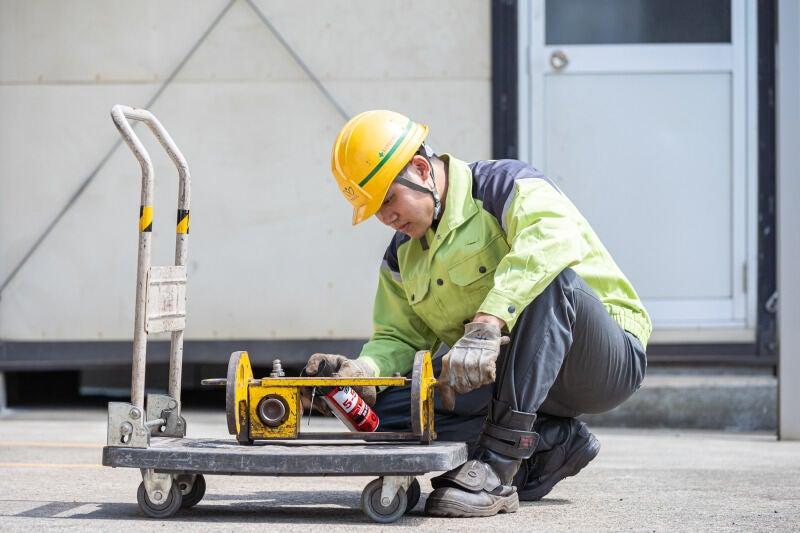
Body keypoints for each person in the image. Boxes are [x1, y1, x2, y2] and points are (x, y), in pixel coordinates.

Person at [304, 110, 651, 518]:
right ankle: (549, 444)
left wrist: (488, 322)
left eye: (387, 199)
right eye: (375, 210)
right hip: (515, 382)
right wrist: (363, 373)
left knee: (549, 282)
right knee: (383, 415)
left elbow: (554, 243)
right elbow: (399, 338)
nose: (386, 217)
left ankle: (496, 470)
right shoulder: (402, 255)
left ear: (419, 169)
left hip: (598, 363)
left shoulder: (505, 185)